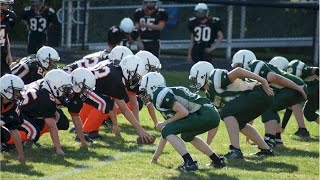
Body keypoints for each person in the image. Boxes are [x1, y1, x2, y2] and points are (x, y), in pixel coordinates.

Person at [140, 72, 226, 172]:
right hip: (210, 113)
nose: (144, 94)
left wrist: (164, 124)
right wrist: (155, 158)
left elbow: (183, 112)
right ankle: (217, 161)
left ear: (151, 86)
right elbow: (166, 133)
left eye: (144, 90)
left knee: (168, 130)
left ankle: (189, 163)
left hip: (204, 113)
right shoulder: (164, 94)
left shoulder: (160, 95)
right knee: (187, 136)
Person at [189, 61, 275, 159]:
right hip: (260, 97)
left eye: (195, 78)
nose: (194, 81)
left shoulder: (216, 78)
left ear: (202, 75)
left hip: (260, 92)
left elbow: (238, 71)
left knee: (227, 112)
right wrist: (207, 145)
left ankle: (235, 150)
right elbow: (214, 121)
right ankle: (266, 149)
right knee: (239, 122)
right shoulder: (210, 94)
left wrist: (263, 80)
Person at [231, 49, 307, 147]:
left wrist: (299, 88)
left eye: (238, 65)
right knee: (269, 106)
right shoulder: (249, 77)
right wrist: (248, 136)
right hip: (289, 89)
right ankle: (277, 139)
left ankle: (269, 141)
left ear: (246, 62)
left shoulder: (255, 66)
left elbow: (276, 78)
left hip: (295, 87)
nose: (236, 69)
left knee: (268, 106)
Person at [18, 69, 73, 155]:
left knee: (62, 121)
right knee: (33, 132)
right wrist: (59, 149)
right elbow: (52, 126)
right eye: (64, 88)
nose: (66, 92)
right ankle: (8, 142)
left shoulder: (45, 85)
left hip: (28, 110)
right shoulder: (45, 97)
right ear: (54, 85)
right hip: (16, 112)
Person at [0, 74, 25, 163]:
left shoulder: (12, 105)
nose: (18, 94)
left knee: (5, 134)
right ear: (6, 89)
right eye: (16, 91)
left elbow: (14, 130)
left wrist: (21, 154)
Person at [0, 0, 16, 76]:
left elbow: (6, 36)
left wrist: (8, 53)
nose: (8, 7)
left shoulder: (10, 16)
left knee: (6, 77)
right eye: (6, 5)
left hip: (3, 51)